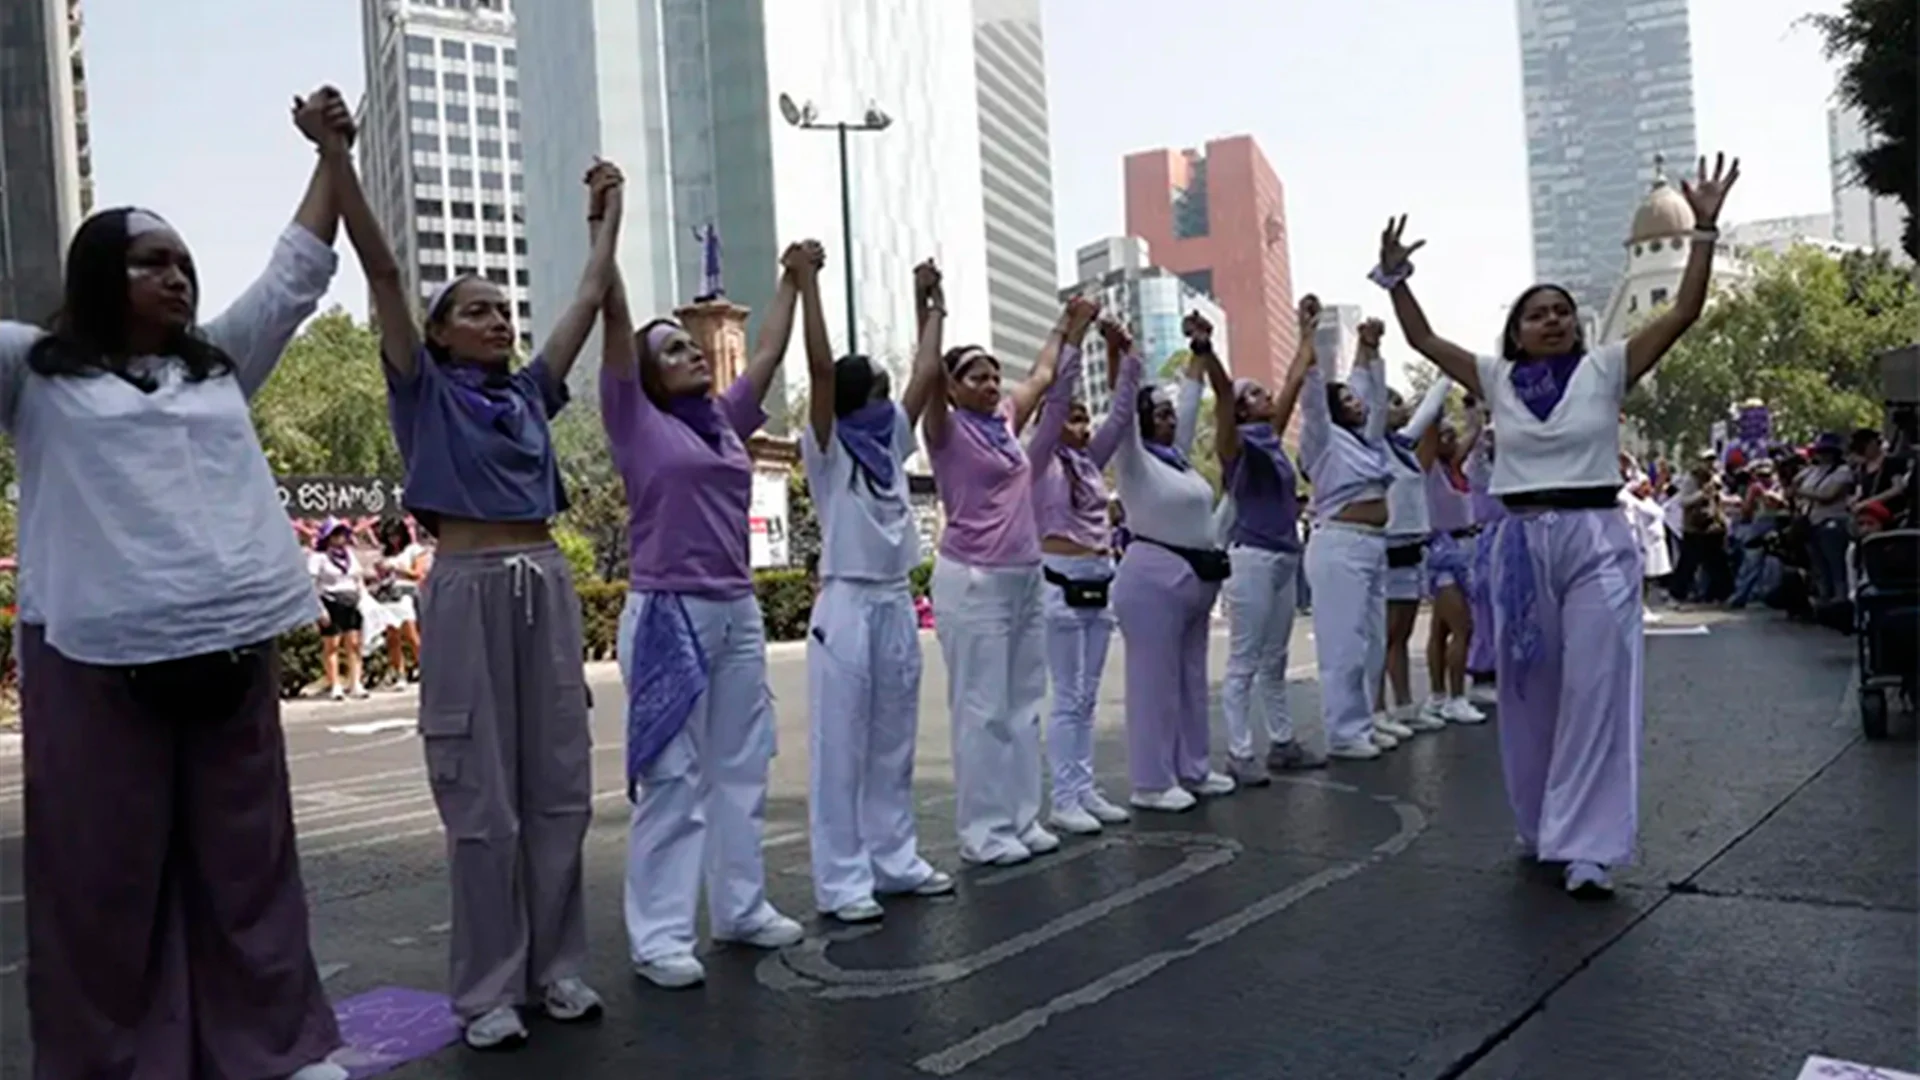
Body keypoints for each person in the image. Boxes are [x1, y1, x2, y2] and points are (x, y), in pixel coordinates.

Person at [6, 88, 347, 1080]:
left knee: (249, 867)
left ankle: (275, 1048)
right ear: (95, 275)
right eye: (151, 259)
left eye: (187, 263)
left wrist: (329, 154)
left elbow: (294, 273)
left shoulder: (217, 370)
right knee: (103, 880)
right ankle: (115, 1062)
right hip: (90, 664)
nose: (178, 276)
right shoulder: (35, 372)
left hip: (232, 649)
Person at [324, 92, 619, 1044]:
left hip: (545, 583)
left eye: (504, 309)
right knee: (481, 800)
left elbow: (584, 298)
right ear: (441, 330)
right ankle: (491, 991)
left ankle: (559, 970)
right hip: (463, 588)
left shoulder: (531, 393)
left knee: (560, 790)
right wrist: (337, 158)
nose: (499, 320)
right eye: (478, 311)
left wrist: (605, 220)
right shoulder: (420, 391)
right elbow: (381, 268)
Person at [1376, 151, 1741, 897]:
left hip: (1595, 541)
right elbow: (1422, 342)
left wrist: (1702, 231)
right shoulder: (1495, 377)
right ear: (1516, 330)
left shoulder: (1608, 366)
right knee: (1531, 686)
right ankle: (1542, 824)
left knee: (1597, 684)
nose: (1553, 319)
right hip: (1518, 545)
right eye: (1536, 312)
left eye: (1562, 310)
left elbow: (1683, 311)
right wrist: (1396, 281)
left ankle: (1590, 846)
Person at [603, 240, 812, 986]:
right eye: (673, 350)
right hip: (669, 613)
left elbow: (767, 351)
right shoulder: (634, 419)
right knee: (672, 776)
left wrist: (791, 279)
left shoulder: (723, 421)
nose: (691, 354)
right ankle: (660, 936)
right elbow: (616, 317)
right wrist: (610, 226)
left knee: (741, 765)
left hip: (735, 610)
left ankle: (740, 907)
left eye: (693, 345)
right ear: (645, 373)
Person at [798, 253, 956, 922]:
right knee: (842, 745)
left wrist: (931, 306)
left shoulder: (890, 439)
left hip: (894, 600)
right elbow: (821, 371)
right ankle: (842, 880)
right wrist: (809, 286)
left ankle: (895, 860)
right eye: (881, 389)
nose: (894, 399)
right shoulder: (828, 447)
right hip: (847, 603)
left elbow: (927, 372)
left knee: (893, 741)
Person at [919, 267, 1080, 865]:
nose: (989, 384)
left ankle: (1021, 818)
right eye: (975, 376)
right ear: (954, 388)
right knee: (982, 709)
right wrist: (929, 307)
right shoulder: (945, 430)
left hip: (1023, 574)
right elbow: (927, 376)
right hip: (974, 579)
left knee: (1021, 703)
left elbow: (1040, 374)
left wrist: (1067, 325)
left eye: (992, 375)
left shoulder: (1006, 423)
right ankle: (984, 832)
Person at [1108, 316, 1238, 809]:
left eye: (1168, 412)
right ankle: (1151, 782)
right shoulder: (1135, 461)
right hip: (1152, 580)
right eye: (1156, 411)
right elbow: (1123, 411)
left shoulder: (1178, 461)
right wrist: (1120, 356)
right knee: (1153, 686)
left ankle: (1192, 768)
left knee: (1189, 681)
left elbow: (1189, 398)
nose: (1167, 417)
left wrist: (1200, 349)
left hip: (1195, 580)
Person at [1027, 309, 1134, 834]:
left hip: (1100, 577)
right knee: (1067, 697)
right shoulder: (1040, 457)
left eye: (1083, 418)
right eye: (1072, 417)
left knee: (1087, 697)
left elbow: (1120, 416)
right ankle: (1064, 798)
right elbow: (1054, 401)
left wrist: (1125, 354)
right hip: (1059, 577)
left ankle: (1084, 786)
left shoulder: (1090, 461)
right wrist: (1073, 338)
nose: (1082, 426)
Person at [1211, 311, 1323, 787]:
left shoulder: (1271, 439)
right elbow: (1221, 396)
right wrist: (1206, 352)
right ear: (1237, 410)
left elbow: (1296, 378)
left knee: (1275, 656)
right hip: (1252, 557)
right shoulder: (1237, 446)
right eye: (1253, 394)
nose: (1266, 396)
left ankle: (1282, 742)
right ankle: (1240, 752)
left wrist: (1307, 332)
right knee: (1244, 660)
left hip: (1282, 556)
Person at [1296, 296, 1399, 760]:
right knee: (1345, 643)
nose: (1357, 403)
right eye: (1348, 401)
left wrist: (1368, 347)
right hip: (1339, 544)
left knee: (1373, 641)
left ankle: (1364, 719)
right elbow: (1314, 398)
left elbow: (1367, 389)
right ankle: (1343, 731)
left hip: (1373, 546)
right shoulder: (1323, 440)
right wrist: (1308, 336)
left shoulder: (1367, 441)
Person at [1377, 377, 1453, 735]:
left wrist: (1445, 376)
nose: (1400, 407)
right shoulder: (1371, 446)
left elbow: (1426, 414)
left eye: (1399, 402)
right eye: (1391, 403)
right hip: (1388, 544)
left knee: (1402, 633)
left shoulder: (1403, 447)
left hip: (1412, 545)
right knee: (1384, 634)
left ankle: (1405, 706)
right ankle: (1376, 710)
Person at [1422, 417, 1487, 723]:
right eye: (1443, 435)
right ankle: (1456, 697)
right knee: (1463, 627)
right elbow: (1432, 434)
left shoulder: (1454, 468)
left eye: (1453, 434)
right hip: (1442, 553)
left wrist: (1477, 408)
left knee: (1441, 628)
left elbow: (1472, 432)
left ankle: (1437, 696)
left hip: (1465, 550)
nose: (1450, 439)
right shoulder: (1430, 470)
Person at [1461, 399, 1502, 703]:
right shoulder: (1476, 469)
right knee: (1484, 608)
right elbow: (1474, 447)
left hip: (1513, 539)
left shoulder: (1514, 470)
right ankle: (1482, 670)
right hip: (1485, 541)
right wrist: (1473, 414)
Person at [309, 517, 370, 700]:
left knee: (353, 643)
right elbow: (312, 584)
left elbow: (358, 578)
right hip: (330, 601)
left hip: (351, 601)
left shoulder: (349, 555)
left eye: (343, 534)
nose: (341, 538)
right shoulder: (318, 558)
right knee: (332, 645)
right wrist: (319, 609)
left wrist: (363, 598)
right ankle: (335, 684)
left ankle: (356, 683)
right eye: (336, 534)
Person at [1797, 433, 1854, 604]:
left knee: (1835, 563)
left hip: (1833, 522)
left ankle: (1840, 598)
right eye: (1820, 452)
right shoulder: (1813, 472)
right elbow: (1795, 483)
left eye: (1826, 451)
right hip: (1813, 522)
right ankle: (1824, 597)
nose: (1822, 455)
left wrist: (1801, 492)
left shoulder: (1843, 472)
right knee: (1819, 565)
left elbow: (1828, 495)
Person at [372, 516, 429, 684]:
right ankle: (399, 672)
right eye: (390, 536)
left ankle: (425, 667)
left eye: (396, 535)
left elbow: (418, 573)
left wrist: (399, 568)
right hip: (388, 593)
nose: (393, 539)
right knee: (392, 636)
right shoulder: (386, 553)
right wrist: (381, 570)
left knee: (410, 633)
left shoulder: (413, 550)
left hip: (405, 592)